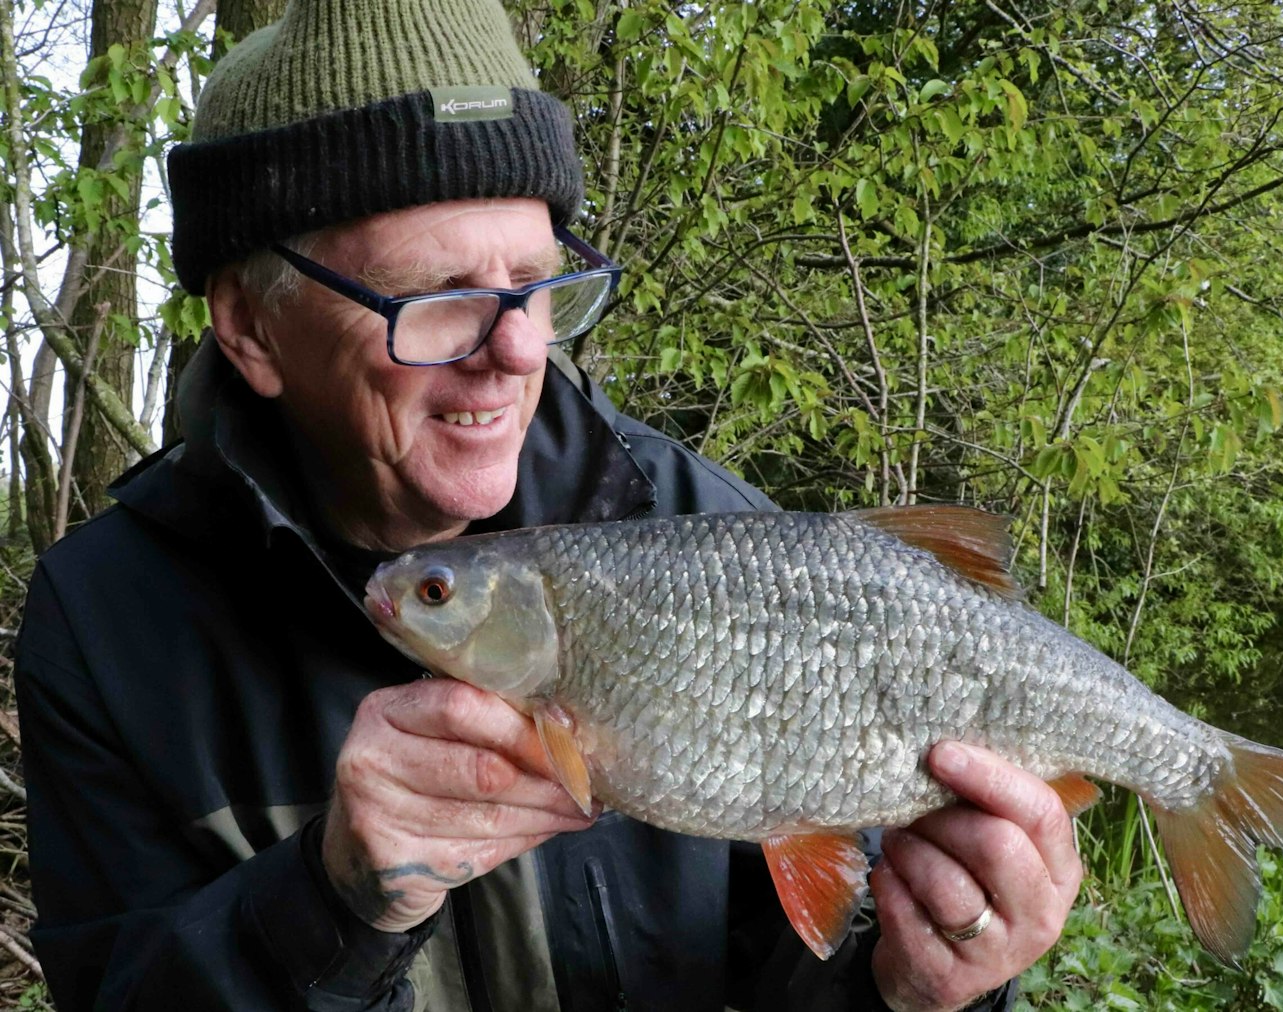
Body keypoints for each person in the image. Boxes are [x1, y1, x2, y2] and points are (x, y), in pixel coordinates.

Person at [15, 0, 1081, 1008]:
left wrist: (919, 988)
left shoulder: (714, 537)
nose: (518, 352)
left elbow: (813, 958)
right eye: (439, 302)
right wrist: (329, 898)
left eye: (535, 285)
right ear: (250, 327)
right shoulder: (103, 622)